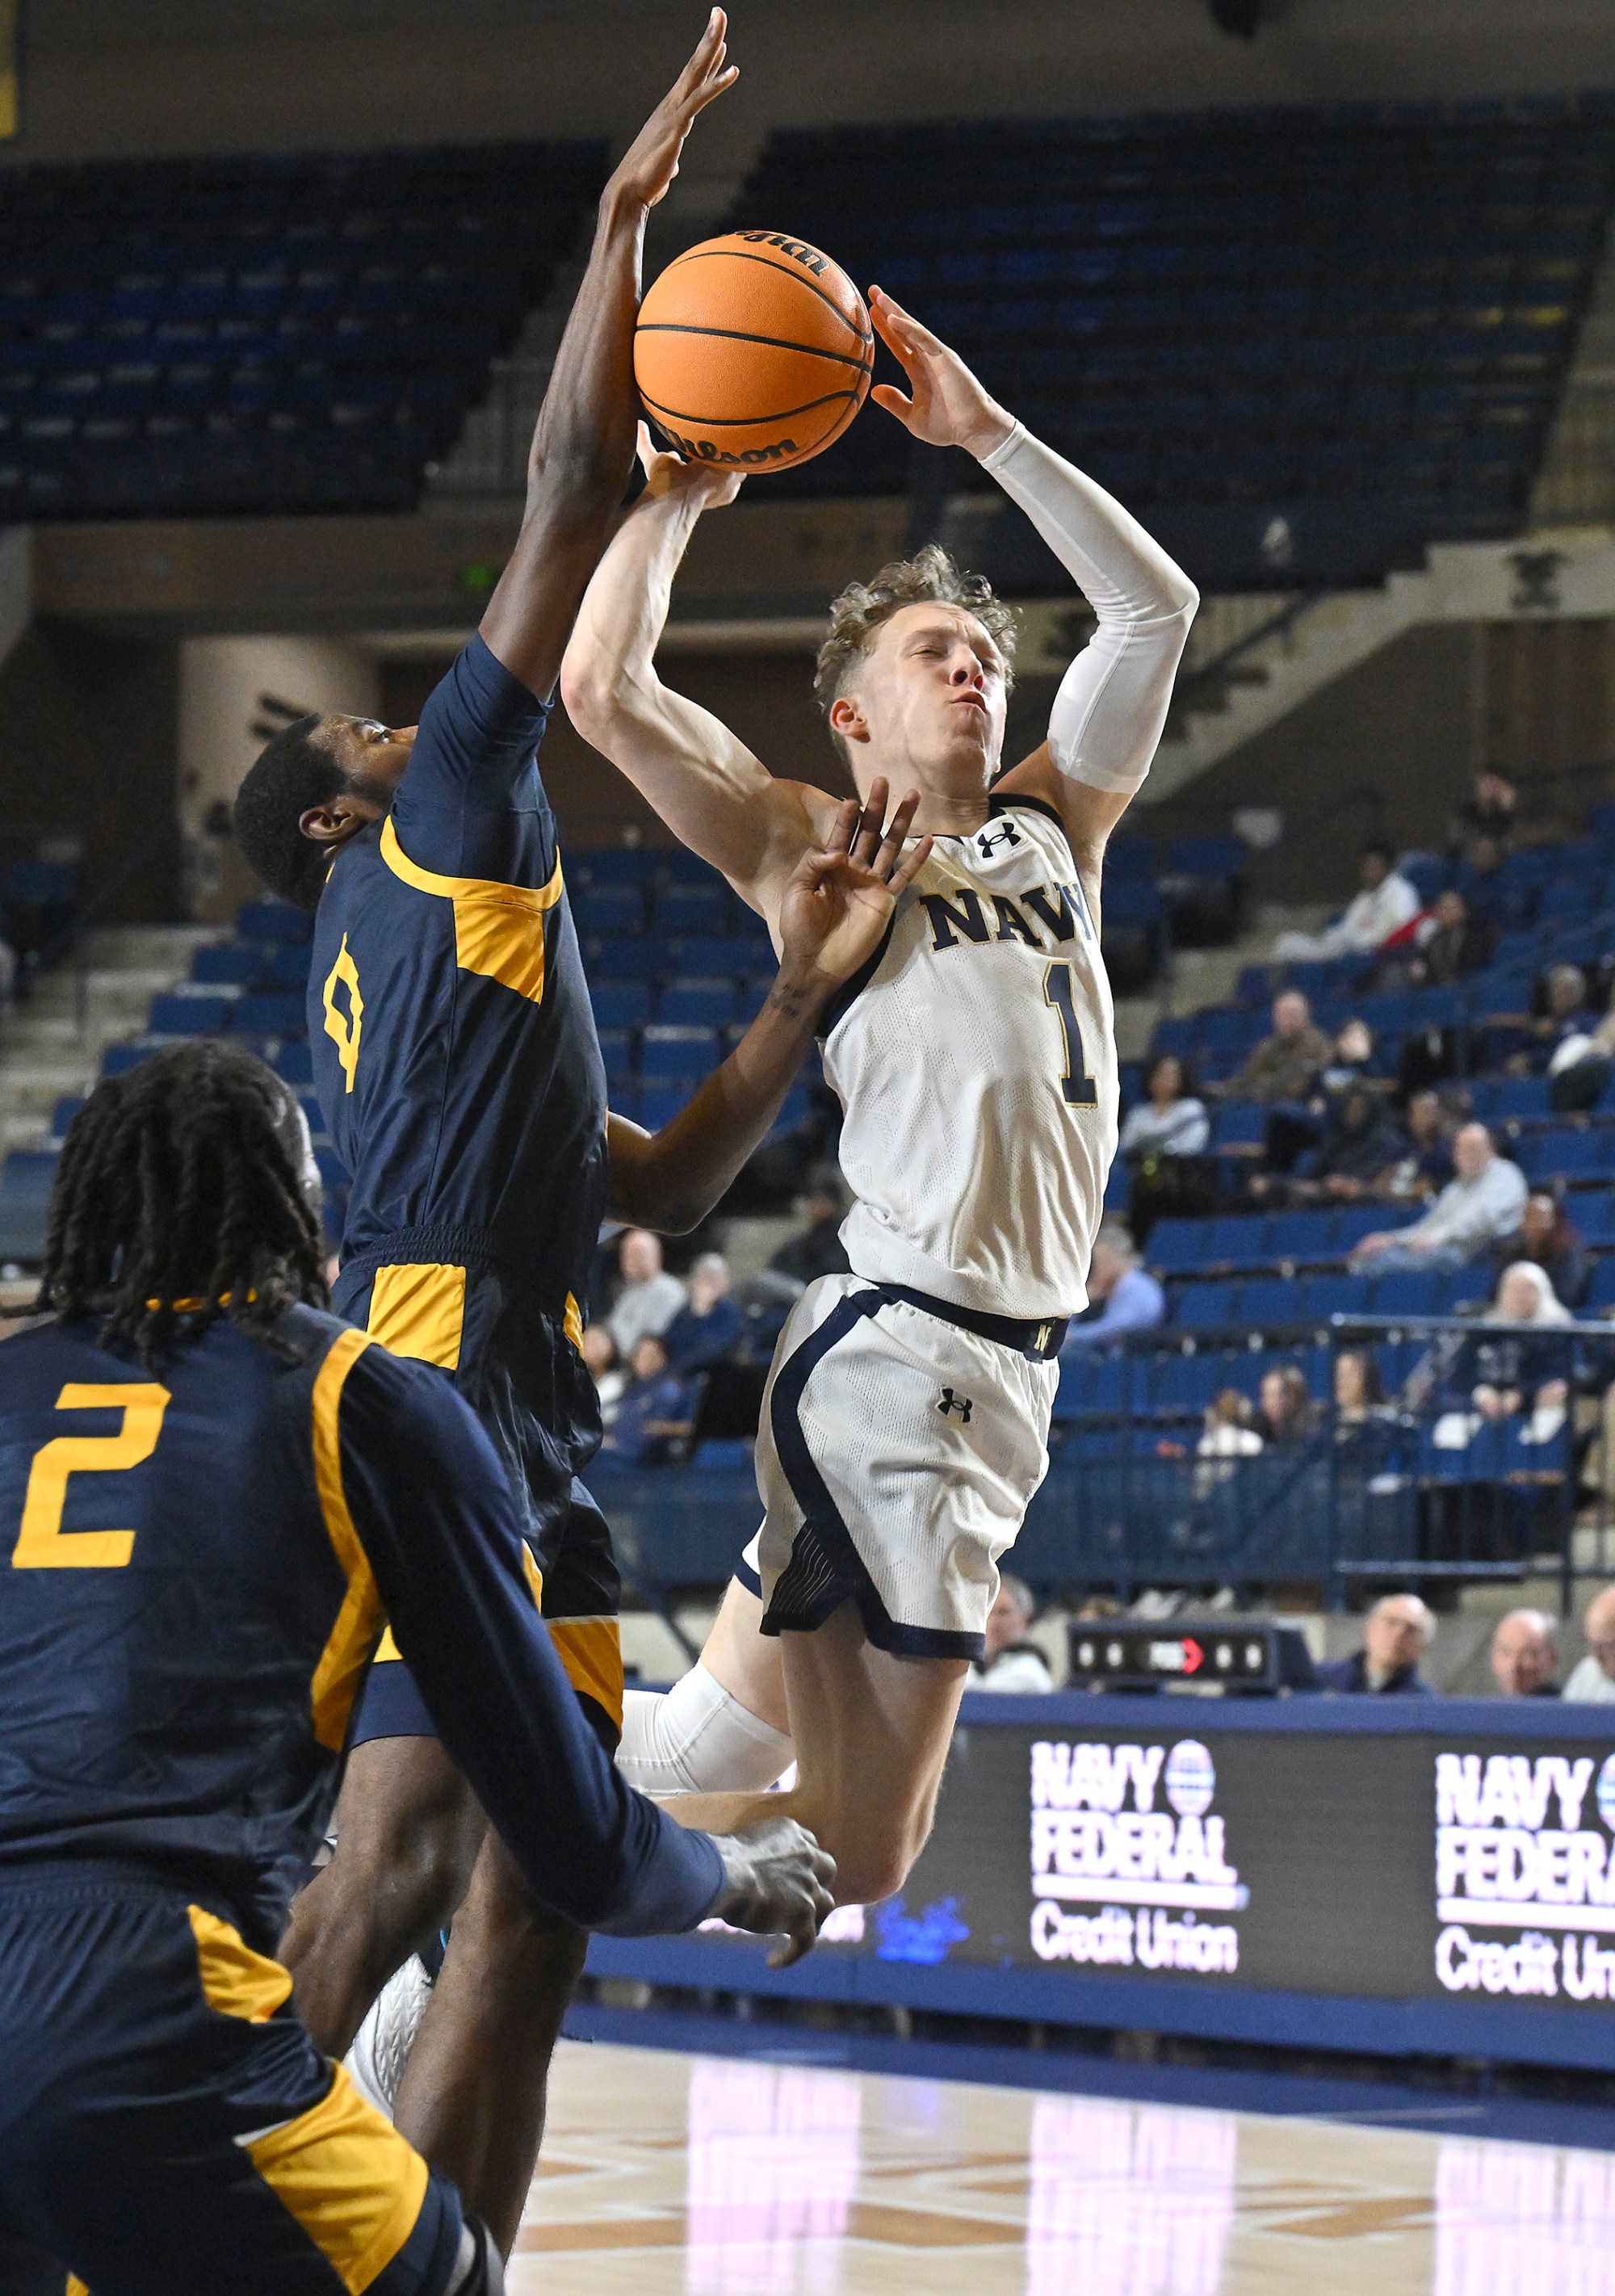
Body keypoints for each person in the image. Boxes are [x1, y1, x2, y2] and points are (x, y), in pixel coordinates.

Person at [0, 1041, 833, 2294]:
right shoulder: (354, 1393)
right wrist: (733, 1868)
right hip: (142, 1996)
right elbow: (570, 1836)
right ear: (298, 1210)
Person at [563, 275, 1197, 1904]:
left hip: (986, 1373)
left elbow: (1153, 612)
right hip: (907, 1354)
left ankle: (418, 1938)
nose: (976, 665)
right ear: (850, 714)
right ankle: (489, 1853)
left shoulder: (1058, 825)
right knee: (854, 1854)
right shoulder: (804, 838)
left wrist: (989, 436)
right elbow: (602, 694)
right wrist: (674, 499)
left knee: (702, 1737)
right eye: (936, 652)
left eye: (986, 649)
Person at [1349, 1123, 1526, 1274]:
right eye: (1460, 1149)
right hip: (1440, 1249)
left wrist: (1441, 1236)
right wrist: (1391, 1239)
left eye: (1473, 1148)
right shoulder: (1456, 1186)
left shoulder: (1505, 1174)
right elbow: (1429, 1226)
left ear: (1490, 1149)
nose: (1465, 1154)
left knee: (1382, 1264)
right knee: (1373, 1255)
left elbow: (1482, 1219)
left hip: (1476, 1255)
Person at [1269, 842, 1420, 964]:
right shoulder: (1365, 895)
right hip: (1348, 947)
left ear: (1386, 867)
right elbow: (1348, 926)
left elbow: (1401, 931)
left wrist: (1360, 940)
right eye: (1365, 867)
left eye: (1373, 867)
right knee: (1286, 943)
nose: (1368, 872)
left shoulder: (1402, 892)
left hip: (1373, 953)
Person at [1211, 988, 1332, 1107]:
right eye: (1280, 1015)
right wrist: (1217, 1091)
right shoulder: (1267, 1046)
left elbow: (1298, 1088)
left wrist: (1256, 1092)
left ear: (1305, 1016)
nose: (1285, 1021)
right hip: (1259, 1103)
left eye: (1291, 1015)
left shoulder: (1320, 1046)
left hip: (1292, 1108)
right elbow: (1244, 1079)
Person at [1059, 1228, 1165, 1350]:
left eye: (1103, 1261)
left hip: (1132, 1357)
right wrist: (1084, 1299)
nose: (1098, 1267)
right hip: (1106, 1352)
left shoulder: (1138, 1287)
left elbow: (1114, 1328)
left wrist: (1072, 1335)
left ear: (1119, 1259)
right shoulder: (1112, 1286)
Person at [597, 1335, 691, 1466]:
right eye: (640, 1354)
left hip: (638, 1458)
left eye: (650, 1354)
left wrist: (616, 1442)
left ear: (663, 1358)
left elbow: (653, 1431)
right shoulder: (635, 1387)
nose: (644, 1360)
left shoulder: (668, 1389)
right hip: (611, 1448)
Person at [1487, 1191, 1589, 1312]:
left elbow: (1568, 1296)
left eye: (1541, 1217)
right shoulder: (1511, 1252)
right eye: (1529, 1218)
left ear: (1555, 1221)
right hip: (1512, 1317)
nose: (1534, 1225)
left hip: (1553, 1319)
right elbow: (1496, 1294)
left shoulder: (1568, 1252)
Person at [1315, 1593, 1436, 1694]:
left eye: (1411, 1629)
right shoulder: (1320, 1682)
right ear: (1370, 1629)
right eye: (1391, 1622)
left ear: (1424, 1646)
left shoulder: (1426, 1706)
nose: (1398, 1634)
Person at [607, 1228, 687, 1358]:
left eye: (638, 1254)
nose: (631, 1261)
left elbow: (655, 1336)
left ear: (657, 1254)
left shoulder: (669, 1291)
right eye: (626, 1255)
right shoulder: (628, 1291)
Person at [768, 1168, 853, 1290]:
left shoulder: (844, 1236)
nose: (814, 1206)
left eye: (821, 1200)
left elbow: (832, 1271)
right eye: (813, 1200)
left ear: (834, 1203)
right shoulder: (808, 1239)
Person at [968, 1573, 1055, 1693]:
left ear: (1026, 1621)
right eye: (987, 1612)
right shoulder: (971, 1669)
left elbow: (983, 1702)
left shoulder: (1028, 1672)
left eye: (1003, 1613)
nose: (993, 1623)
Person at [663, 1251, 743, 1373]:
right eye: (706, 1278)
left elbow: (717, 1349)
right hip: (677, 1376)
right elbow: (670, 1343)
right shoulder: (683, 1315)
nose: (710, 1285)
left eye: (716, 1279)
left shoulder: (730, 1313)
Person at [1118, 1054, 1209, 1160]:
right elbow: (1126, 1145)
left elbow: (1192, 1145)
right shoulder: (1138, 1112)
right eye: (1159, 1074)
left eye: (1170, 1075)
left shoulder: (1191, 1108)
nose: (1163, 1080)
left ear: (1182, 1078)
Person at [1488, 1608, 1560, 1697]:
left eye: (1527, 1654)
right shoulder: (1483, 1709)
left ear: (1552, 1658)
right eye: (1505, 1652)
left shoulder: (1567, 1707)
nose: (1513, 1665)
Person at [1563, 1585, 1615, 1703]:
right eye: (1593, 1645)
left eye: (1605, 1646)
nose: (1597, 1655)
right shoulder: (1588, 1673)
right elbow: (1567, 1720)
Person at [1258, 1364, 1319, 1446]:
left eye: (1277, 1395)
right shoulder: (1257, 1433)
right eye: (1266, 1395)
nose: (1269, 1403)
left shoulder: (1312, 1435)